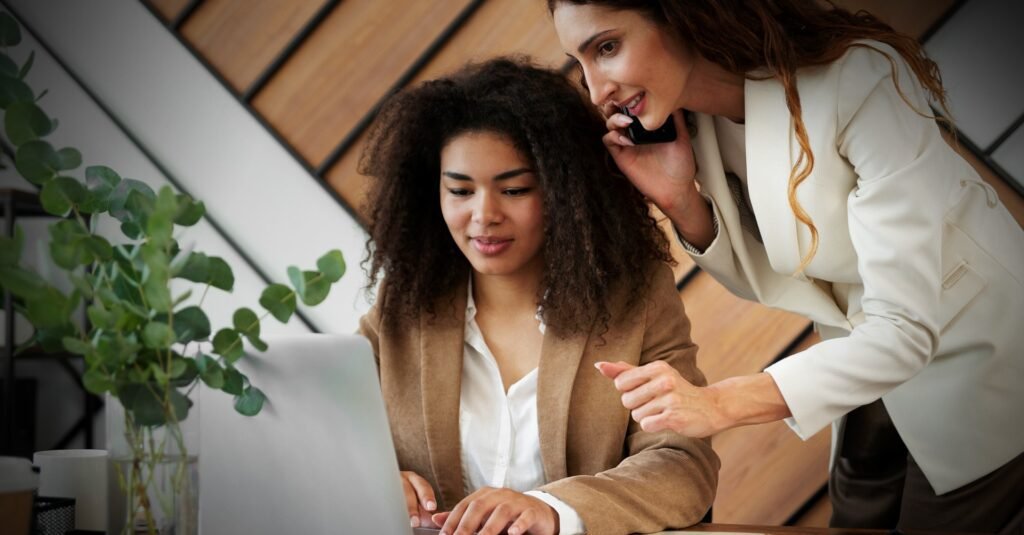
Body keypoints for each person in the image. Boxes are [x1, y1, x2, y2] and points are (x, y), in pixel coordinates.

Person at [549, 0, 1024, 532]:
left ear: (679, 13)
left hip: (975, 359)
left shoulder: (858, 82)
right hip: (863, 365)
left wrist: (719, 404)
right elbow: (786, 282)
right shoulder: (696, 124)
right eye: (581, 61)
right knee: (855, 515)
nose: (597, 90)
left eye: (607, 48)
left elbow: (907, 330)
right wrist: (683, 201)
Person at [356, 58, 719, 535]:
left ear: (565, 193)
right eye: (460, 191)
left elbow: (682, 464)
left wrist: (554, 509)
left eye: (514, 189)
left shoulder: (635, 300)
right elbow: (329, 439)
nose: (484, 215)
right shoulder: (401, 306)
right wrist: (376, 481)